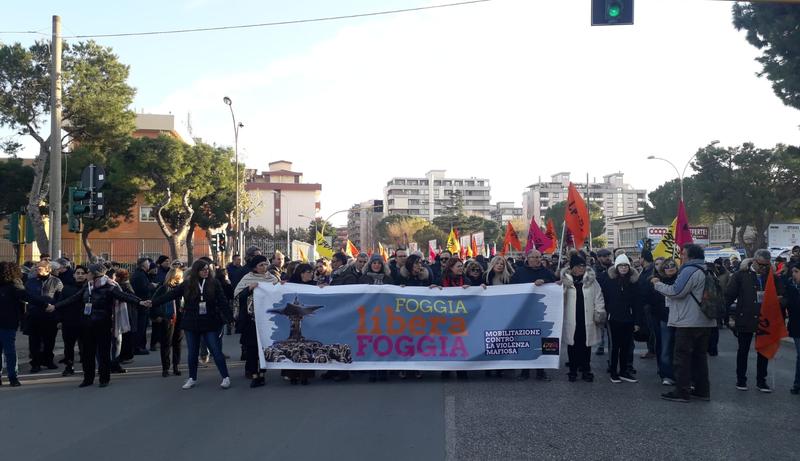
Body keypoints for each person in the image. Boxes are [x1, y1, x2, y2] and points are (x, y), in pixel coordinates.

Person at [56, 263, 147, 387]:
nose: (86, 274)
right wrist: (55, 306)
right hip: (86, 324)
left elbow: (125, 296)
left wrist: (140, 302)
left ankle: (104, 378)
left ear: (95, 274)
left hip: (103, 323)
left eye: (88, 272)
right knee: (87, 353)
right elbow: (73, 298)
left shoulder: (110, 286)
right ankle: (88, 378)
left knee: (103, 353)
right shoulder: (87, 286)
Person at [150, 260, 234, 390]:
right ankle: (192, 378)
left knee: (216, 350)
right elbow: (171, 295)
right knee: (192, 353)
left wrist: (230, 318)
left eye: (207, 269)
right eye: (203, 269)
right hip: (191, 322)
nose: (206, 271)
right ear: (196, 271)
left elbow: (222, 301)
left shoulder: (214, 283)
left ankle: (225, 377)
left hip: (210, 322)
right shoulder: (188, 284)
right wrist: (152, 303)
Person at [652, 244, 717, 402]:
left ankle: (682, 391)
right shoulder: (707, 269)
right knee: (700, 357)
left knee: (682, 357)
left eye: (683, 253)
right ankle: (702, 390)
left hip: (688, 321)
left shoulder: (689, 270)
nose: (681, 255)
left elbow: (676, 291)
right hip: (704, 320)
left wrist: (657, 284)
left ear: (690, 255)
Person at [725, 249, 784, 393]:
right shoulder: (740, 275)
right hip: (745, 317)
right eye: (761, 264)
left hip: (765, 319)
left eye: (766, 265)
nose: (764, 267)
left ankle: (761, 381)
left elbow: (783, 294)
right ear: (754, 261)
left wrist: (780, 301)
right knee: (743, 350)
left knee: (763, 350)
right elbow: (729, 296)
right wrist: (727, 315)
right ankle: (741, 379)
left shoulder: (772, 277)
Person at [0, 262, 53, 387]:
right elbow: (30, 298)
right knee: (10, 351)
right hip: (8, 322)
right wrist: (46, 305)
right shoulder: (14, 286)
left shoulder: (11, 287)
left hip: (7, 322)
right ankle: (13, 377)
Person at [510, 249, 557, 381]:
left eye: (539, 257)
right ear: (528, 258)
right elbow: (512, 287)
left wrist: (545, 281)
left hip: (542, 313)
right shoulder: (519, 272)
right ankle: (525, 370)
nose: (537, 259)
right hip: (525, 313)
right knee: (526, 340)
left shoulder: (546, 271)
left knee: (540, 341)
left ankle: (541, 371)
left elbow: (555, 283)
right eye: (534, 257)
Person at [234, 255, 278, 388]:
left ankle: (262, 373)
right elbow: (237, 296)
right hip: (251, 319)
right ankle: (254, 373)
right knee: (252, 347)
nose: (264, 268)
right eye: (261, 265)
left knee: (264, 346)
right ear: (254, 267)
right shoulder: (247, 278)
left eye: (265, 264)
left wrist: (280, 285)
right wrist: (249, 289)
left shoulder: (272, 278)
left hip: (267, 319)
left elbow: (279, 294)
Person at [561, 254, 605, 382]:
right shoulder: (565, 281)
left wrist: (599, 311)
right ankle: (573, 370)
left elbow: (599, 296)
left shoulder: (591, 281)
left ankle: (586, 370)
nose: (582, 268)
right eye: (579, 266)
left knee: (586, 345)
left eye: (583, 266)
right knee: (572, 344)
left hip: (587, 317)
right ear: (572, 267)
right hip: (571, 318)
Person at [600, 254, 642, 384]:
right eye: (621, 266)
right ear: (616, 267)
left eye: (626, 266)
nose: (623, 268)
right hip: (613, 319)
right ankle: (613, 372)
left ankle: (624, 371)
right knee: (614, 347)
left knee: (626, 347)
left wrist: (637, 321)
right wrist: (605, 314)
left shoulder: (634, 282)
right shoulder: (609, 281)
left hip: (628, 319)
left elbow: (637, 303)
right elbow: (604, 299)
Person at [24, 260, 63, 373]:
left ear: (48, 269)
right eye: (36, 267)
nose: (37, 269)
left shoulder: (56, 282)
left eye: (40, 267)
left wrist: (56, 310)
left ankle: (48, 360)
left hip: (50, 316)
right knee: (34, 341)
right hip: (34, 315)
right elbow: (26, 297)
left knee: (49, 340)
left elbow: (60, 298)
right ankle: (35, 363)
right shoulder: (30, 282)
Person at [150, 267, 185, 377]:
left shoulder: (182, 288)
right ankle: (166, 368)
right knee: (166, 343)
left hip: (180, 318)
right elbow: (154, 302)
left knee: (177, 343)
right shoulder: (164, 288)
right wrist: (158, 316)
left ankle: (176, 366)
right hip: (168, 319)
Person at [56, 265, 88, 376]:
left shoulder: (89, 288)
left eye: (82, 273)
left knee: (85, 346)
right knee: (68, 346)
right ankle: (69, 366)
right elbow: (60, 304)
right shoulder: (67, 288)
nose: (80, 275)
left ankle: (87, 367)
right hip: (69, 321)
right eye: (77, 273)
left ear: (86, 275)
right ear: (74, 275)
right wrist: (59, 320)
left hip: (85, 322)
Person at [652, 258, 678, 385]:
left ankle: (681, 374)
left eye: (673, 265)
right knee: (665, 348)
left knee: (681, 348)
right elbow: (653, 302)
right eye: (667, 266)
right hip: (664, 319)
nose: (670, 268)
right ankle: (667, 375)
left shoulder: (681, 281)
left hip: (680, 319)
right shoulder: (657, 282)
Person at [130, 257, 155, 355]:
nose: (149, 265)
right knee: (140, 327)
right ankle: (137, 347)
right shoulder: (140, 275)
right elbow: (143, 289)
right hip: (141, 305)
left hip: (142, 304)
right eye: (148, 263)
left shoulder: (141, 274)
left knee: (142, 327)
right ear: (143, 265)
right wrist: (152, 286)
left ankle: (140, 346)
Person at [783, 263, 800, 395]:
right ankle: (797, 383)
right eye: (793, 271)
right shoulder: (790, 286)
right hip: (797, 325)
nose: (793, 274)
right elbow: (787, 303)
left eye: (796, 271)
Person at [637, 250, 658, 360]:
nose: (638, 259)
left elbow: (648, 288)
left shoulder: (652, 271)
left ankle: (652, 350)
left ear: (643, 259)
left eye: (639, 257)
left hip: (649, 304)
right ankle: (652, 349)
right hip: (644, 304)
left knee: (651, 329)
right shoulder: (644, 270)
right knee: (648, 328)